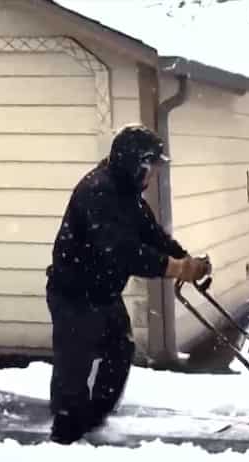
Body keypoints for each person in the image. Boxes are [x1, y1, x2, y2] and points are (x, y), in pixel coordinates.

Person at [44, 124, 210, 444]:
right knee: (74, 363)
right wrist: (176, 268)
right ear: (135, 164)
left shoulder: (127, 194)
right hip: (74, 293)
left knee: (119, 350)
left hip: (103, 292)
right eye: (151, 168)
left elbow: (151, 236)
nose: (154, 176)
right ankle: (65, 433)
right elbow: (122, 251)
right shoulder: (98, 191)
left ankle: (95, 416)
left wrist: (187, 260)